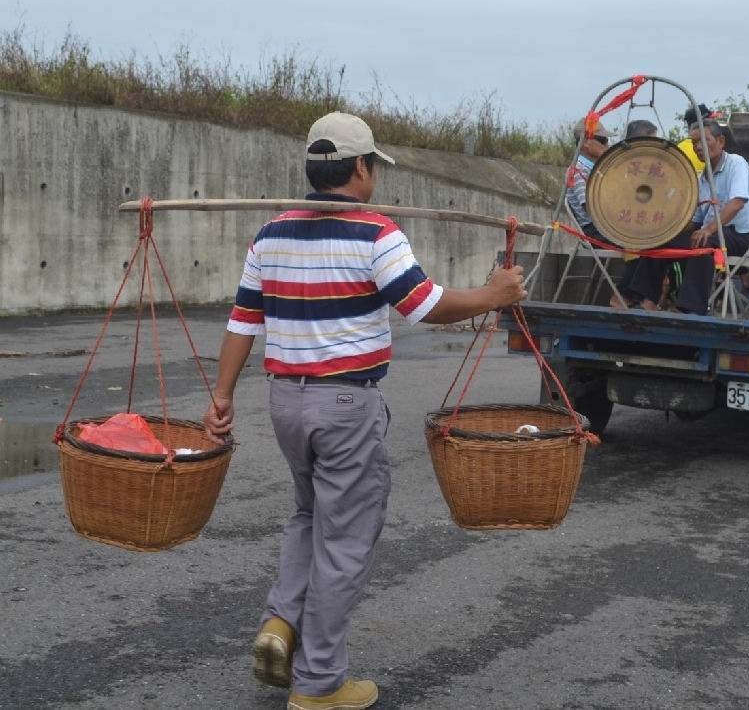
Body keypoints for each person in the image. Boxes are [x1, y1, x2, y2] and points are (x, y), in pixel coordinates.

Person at [202, 112, 527, 710]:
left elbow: (242, 321)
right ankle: (320, 682)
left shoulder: (271, 233)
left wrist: (221, 396)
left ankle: (280, 623)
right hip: (346, 404)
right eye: (373, 164)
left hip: (286, 403)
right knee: (346, 539)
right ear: (360, 168)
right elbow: (423, 305)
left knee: (309, 515)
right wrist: (495, 295)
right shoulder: (376, 233)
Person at [621, 118, 749, 314]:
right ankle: (646, 300)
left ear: (720, 141)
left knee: (704, 242)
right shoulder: (702, 176)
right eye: (694, 143)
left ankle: (690, 308)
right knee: (662, 239)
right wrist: (667, 231)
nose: (697, 147)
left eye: (704, 141)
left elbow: (737, 202)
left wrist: (708, 228)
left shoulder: (736, 163)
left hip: (739, 235)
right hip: (712, 232)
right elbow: (695, 219)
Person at [565, 116, 615, 238]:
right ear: (587, 142)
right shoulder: (577, 170)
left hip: (606, 228)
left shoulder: (595, 169)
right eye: (603, 140)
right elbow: (590, 208)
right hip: (595, 230)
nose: (607, 145)